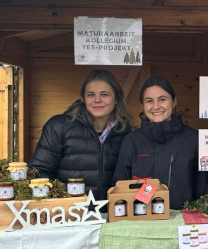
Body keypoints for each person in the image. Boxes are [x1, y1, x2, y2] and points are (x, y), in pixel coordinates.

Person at [29, 69, 134, 200]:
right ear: (84, 98)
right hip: (67, 215)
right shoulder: (58, 126)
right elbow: (39, 172)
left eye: (104, 94)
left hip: (111, 215)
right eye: (91, 95)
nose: (97, 100)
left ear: (117, 98)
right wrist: (56, 203)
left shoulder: (124, 132)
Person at [113, 76, 208, 210]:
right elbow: (119, 189)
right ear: (143, 105)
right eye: (149, 101)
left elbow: (203, 192)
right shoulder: (132, 141)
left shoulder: (194, 140)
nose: (156, 106)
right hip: (141, 221)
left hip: (184, 223)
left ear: (174, 102)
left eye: (162, 99)